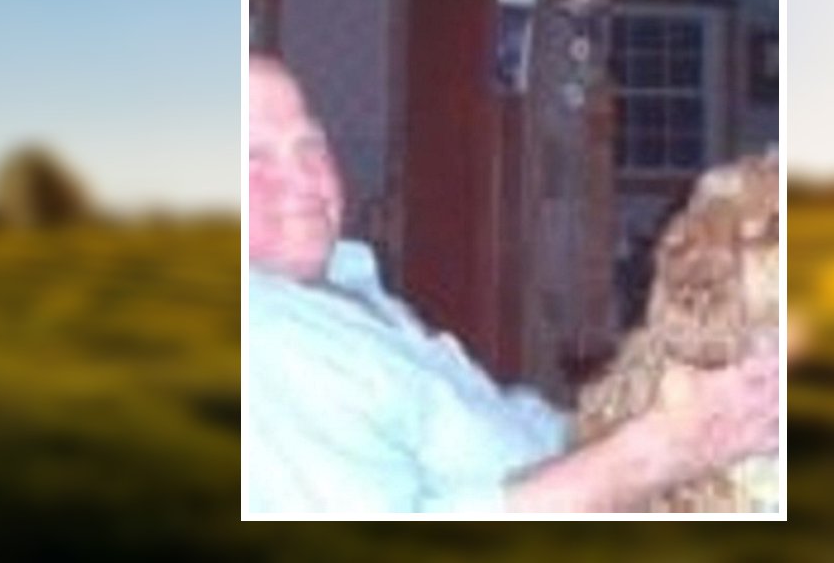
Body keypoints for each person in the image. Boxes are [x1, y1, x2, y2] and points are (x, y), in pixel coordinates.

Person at [245, 56, 779, 513]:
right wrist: (659, 452)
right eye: (253, 158)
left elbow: (501, 427)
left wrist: (637, 415)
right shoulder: (263, 341)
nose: (302, 180)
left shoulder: (341, 279)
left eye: (309, 144)